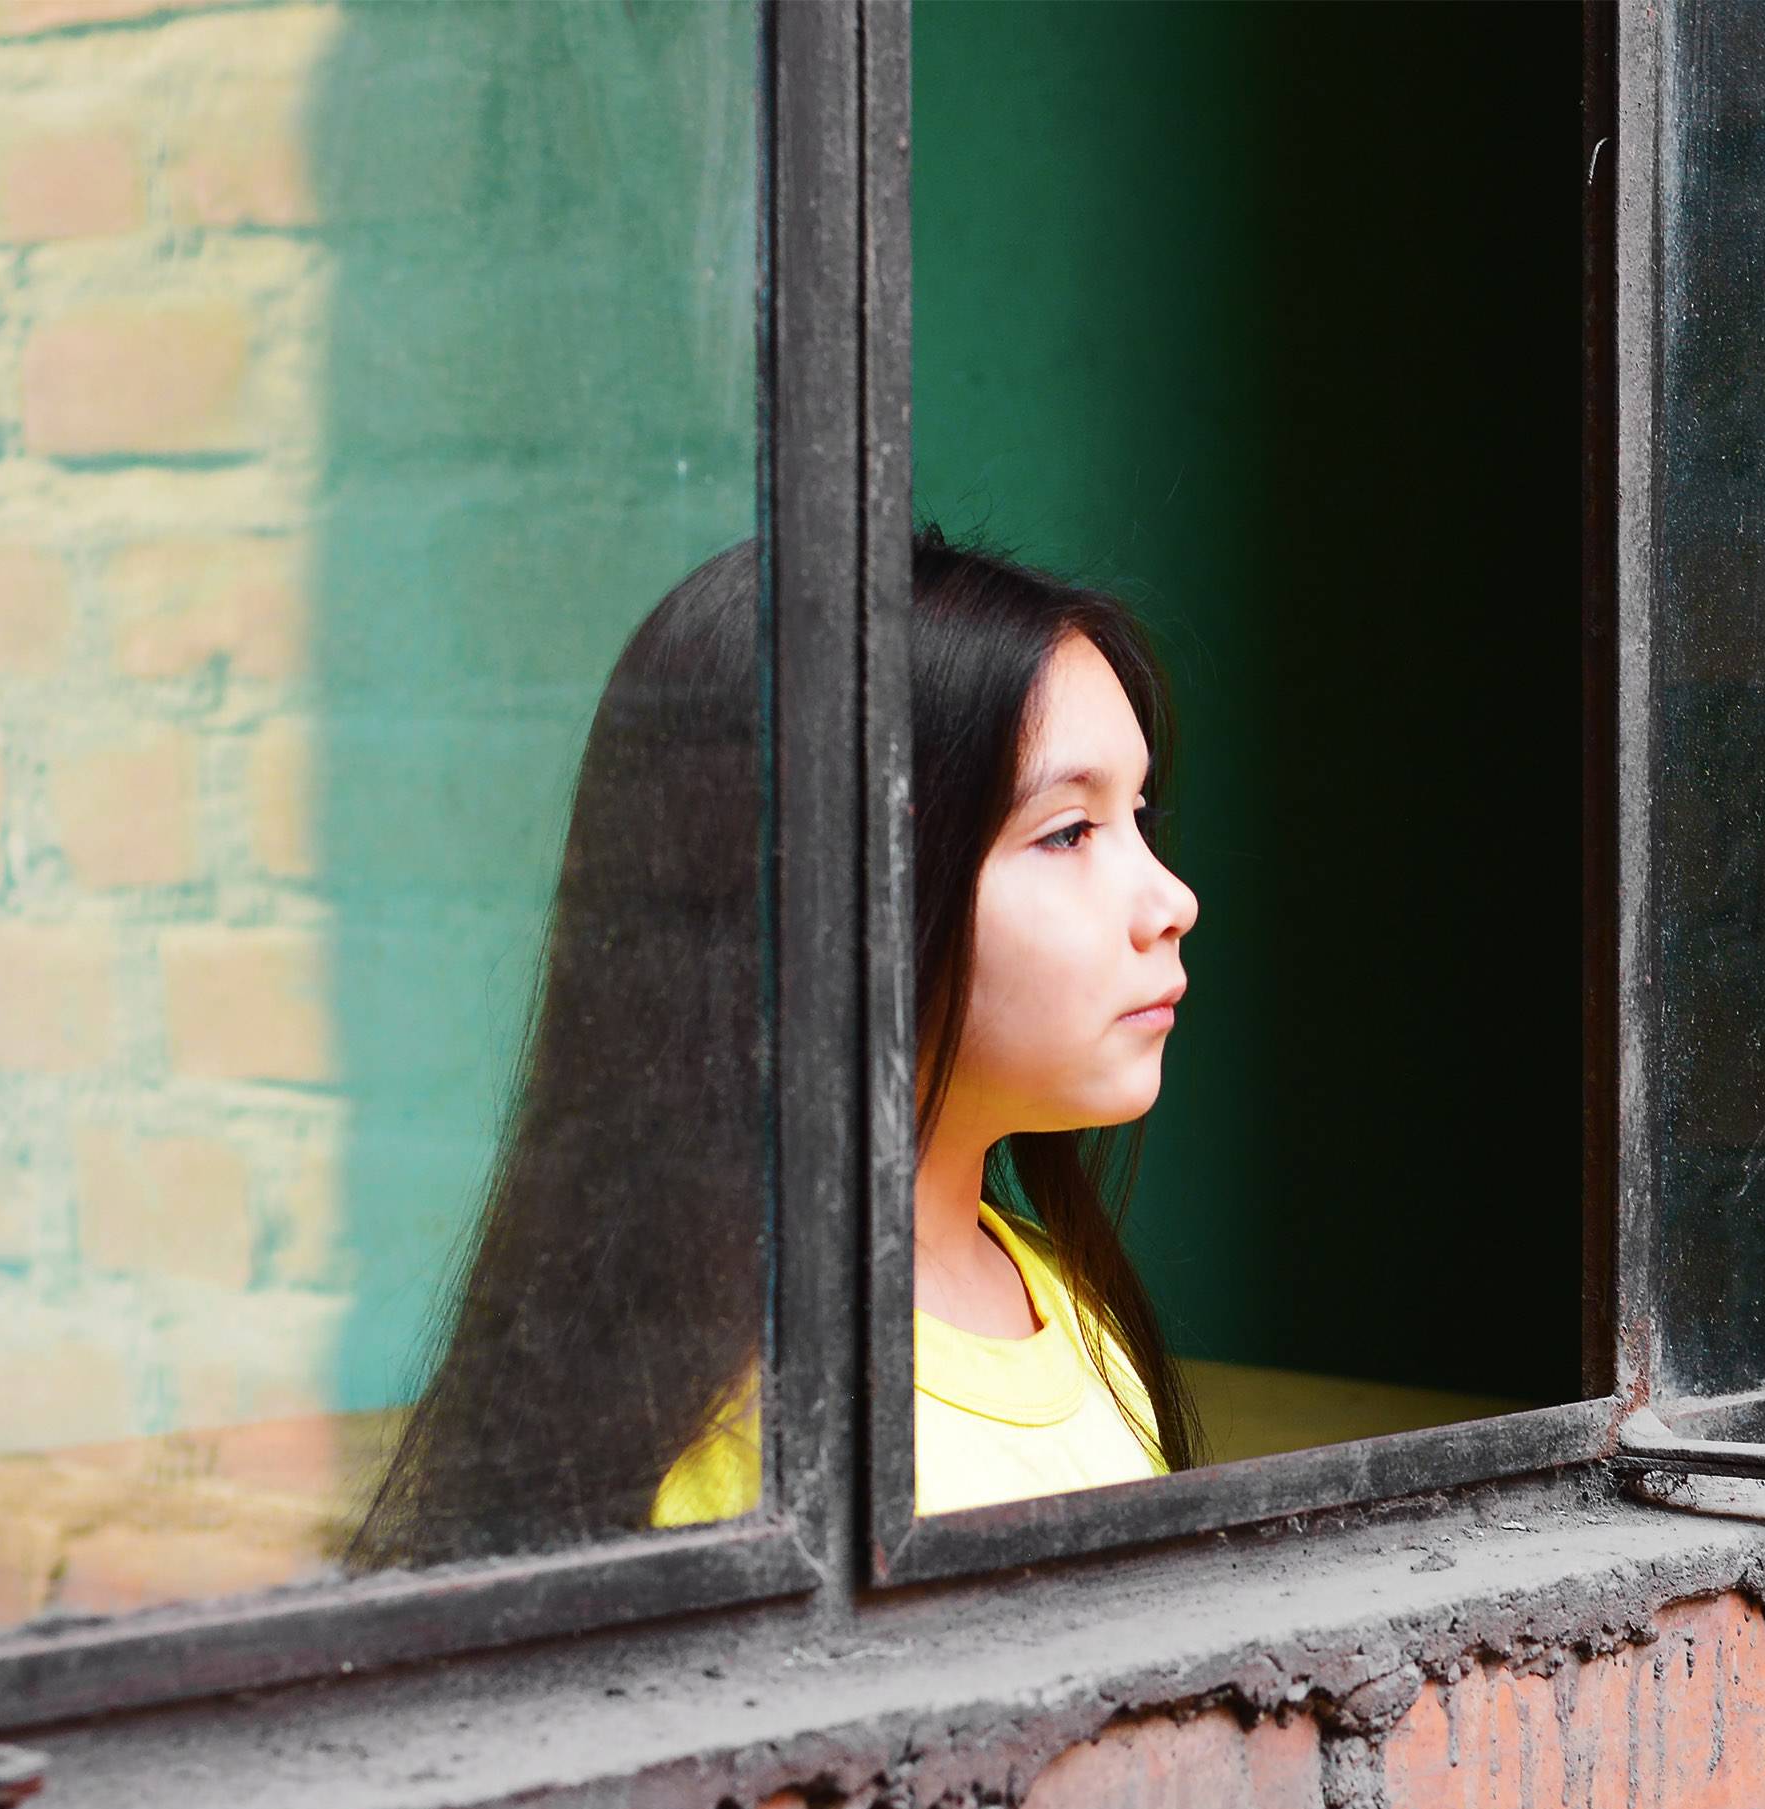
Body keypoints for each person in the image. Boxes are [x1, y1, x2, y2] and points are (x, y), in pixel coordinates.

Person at [348, 529, 1203, 1568]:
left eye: (1141, 814)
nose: (1172, 901)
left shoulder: (1067, 1312)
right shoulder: (756, 1461)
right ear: (824, 893)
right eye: (1068, 831)